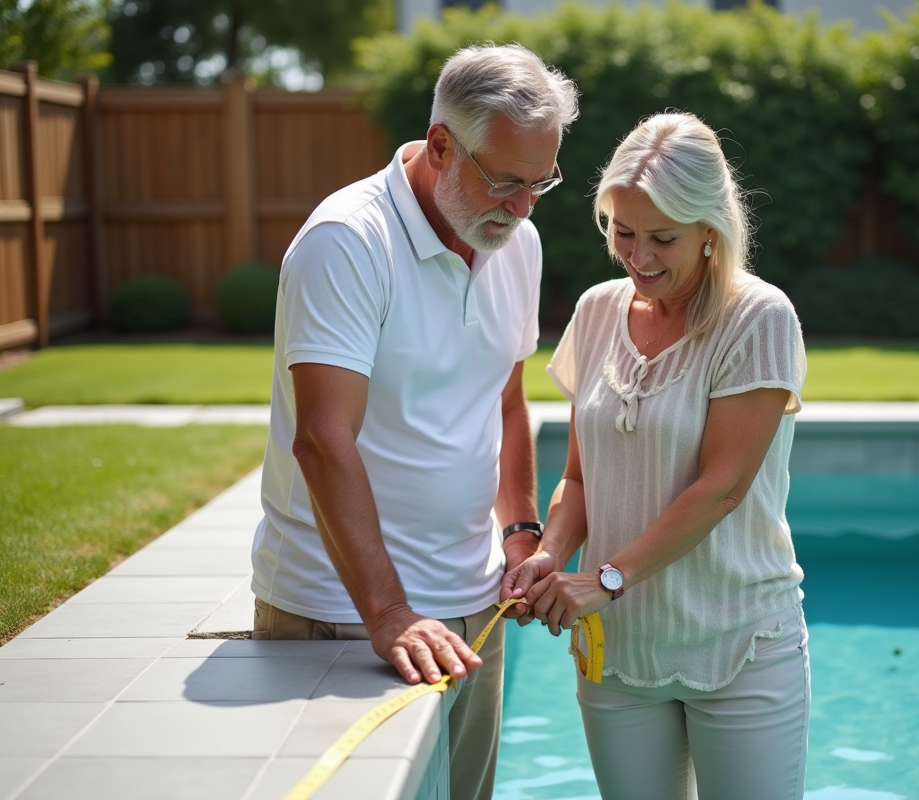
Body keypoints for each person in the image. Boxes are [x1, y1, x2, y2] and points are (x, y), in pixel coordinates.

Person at [249, 44, 579, 800]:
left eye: (540, 184)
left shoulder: (516, 242)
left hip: (472, 606)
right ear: (439, 146)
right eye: (505, 182)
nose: (523, 206)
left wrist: (521, 532)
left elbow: (504, 397)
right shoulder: (348, 241)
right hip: (340, 613)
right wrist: (389, 612)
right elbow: (322, 440)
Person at [501, 112, 810, 800]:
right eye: (623, 232)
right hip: (616, 656)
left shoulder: (758, 318)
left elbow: (721, 488)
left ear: (711, 231)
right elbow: (581, 476)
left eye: (662, 239)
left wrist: (605, 579)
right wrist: (553, 552)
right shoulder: (596, 312)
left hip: (739, 649)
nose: (637, 257)